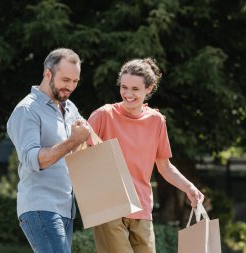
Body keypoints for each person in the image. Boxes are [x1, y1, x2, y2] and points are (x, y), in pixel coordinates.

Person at [88, 57, 205, 253]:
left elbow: (164, 166)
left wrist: (189, 188)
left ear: (148, 89)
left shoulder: (156, 121)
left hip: (142, 207)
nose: (128, 94)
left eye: (135, 89)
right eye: (124, 87)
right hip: (108, 206)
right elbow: (80, 154)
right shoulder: (103, 115)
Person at [7, 48, 90, 253]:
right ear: (47, 74)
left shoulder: (70, 108)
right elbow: (33, 160)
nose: (70, 87)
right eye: (65, 80)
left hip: (66, 207)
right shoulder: (27, 110)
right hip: (40, 206)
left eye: (75, 82)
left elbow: (81, 146)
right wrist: (72, 142)